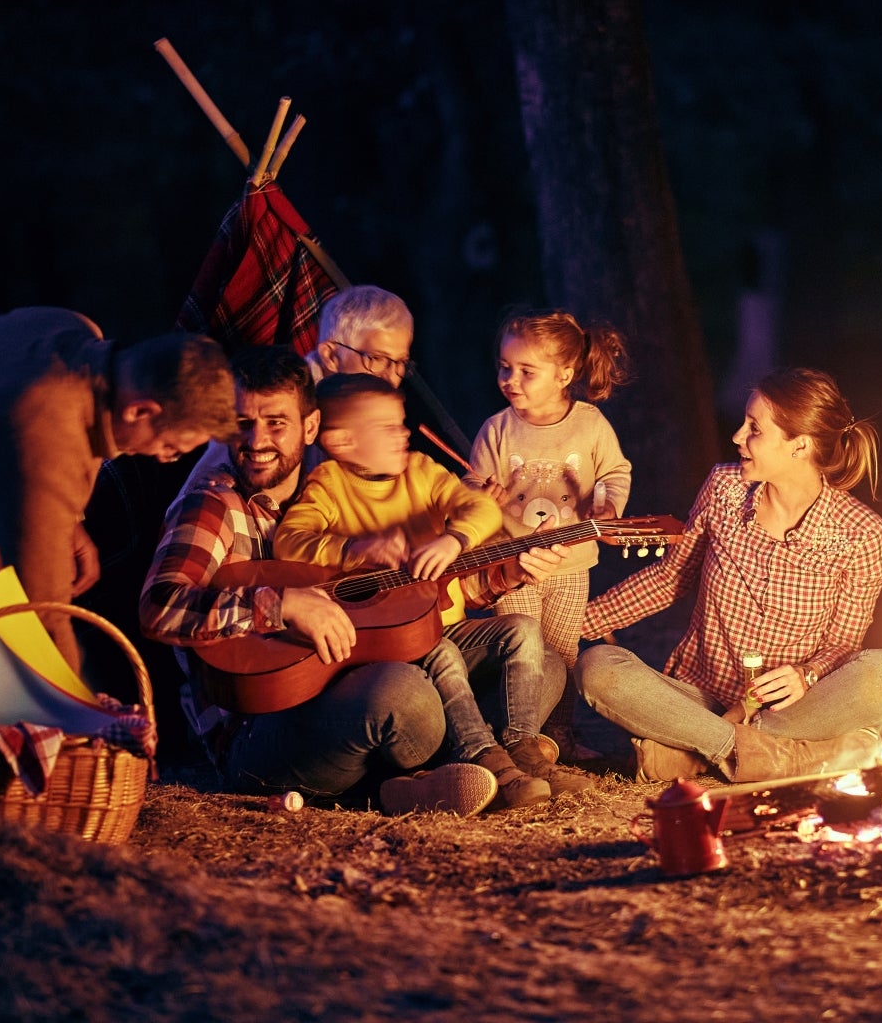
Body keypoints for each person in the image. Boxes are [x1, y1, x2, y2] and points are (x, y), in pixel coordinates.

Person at [0, 306, 236, 780]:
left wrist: (66, 518)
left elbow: (11, 459)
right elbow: (47, 613)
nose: (164, 457)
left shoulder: (69, 329)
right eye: (173, 446)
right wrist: (81, 727)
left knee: (16, 720)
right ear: (140, 410)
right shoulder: (47, 436)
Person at [140, 347, 519, 815]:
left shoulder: (329, 492)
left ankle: (405, 785)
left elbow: (388, 606)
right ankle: (403, 782)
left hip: (340, 684)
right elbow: (159, 606)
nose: (257, 440)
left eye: (276, 422)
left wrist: (507, 572)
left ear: (311, 428)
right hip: (260, 725)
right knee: (404, 692)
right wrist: (281, 605)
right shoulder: (213, 506)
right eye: (242, 422)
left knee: (513, 653)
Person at [575, 367, 882, 783]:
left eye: (755, 428)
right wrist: (572, 623)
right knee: (598, 668)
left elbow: (843, 644)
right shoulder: (725, 488)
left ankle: (701, 750)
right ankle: (769, 755)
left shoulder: (861, 534)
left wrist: (806, 676)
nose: (737, 436)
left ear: (799, 445)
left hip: (790, 712)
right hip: (699, 700)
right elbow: (671, 579)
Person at [276, 373, 591, 806]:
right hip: (393, 648)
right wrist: (355, 548)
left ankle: (523, 750)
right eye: (387, 427)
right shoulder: (328, 485)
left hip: (449, 628)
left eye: (401, 422)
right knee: (439, 650)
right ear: (342, 441)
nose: (403, 432)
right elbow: (289, 541)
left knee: (523, 632)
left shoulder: (422, 472)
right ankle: (486, 759)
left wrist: (454, 538)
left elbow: (478, 505)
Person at [464, 308, 633, 752]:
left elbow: (615, 471)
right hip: (512, 563)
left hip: (572, 564)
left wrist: (609, 502)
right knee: (523, 654)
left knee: (563, 652)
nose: (510, 379)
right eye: (505, 367)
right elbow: (470, 490)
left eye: (526, 371)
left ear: (564, 374)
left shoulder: (590, 424)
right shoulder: (496, 430)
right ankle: (516, 736)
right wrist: (486, 498)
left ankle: (558, 736)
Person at [304, 285, 414, 388]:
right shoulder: (293, 404)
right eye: (377, 358)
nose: (392, 380)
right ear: (331, 356)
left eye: (401, 362)